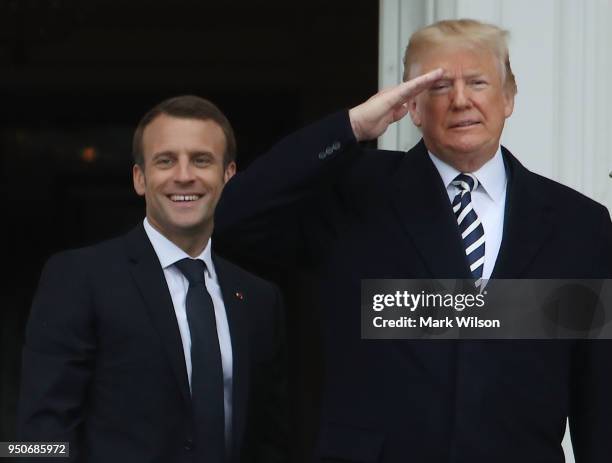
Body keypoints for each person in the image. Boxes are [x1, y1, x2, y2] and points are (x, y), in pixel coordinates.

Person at [214, 20, 612, 462]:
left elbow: (596, 389)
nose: (461, 100)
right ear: (413, 106)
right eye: (440, 86)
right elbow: (234, 219)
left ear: (509, 97)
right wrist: (351, 128)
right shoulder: (355, 192)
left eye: (477, 82)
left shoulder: (579, 224)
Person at [17, 96, 288, 463]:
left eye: (201, 160)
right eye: (165, 161)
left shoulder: (259, 298)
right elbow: (39, 435)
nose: (183, 175)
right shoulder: (77, 277)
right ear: (139, 178)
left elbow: (269, 438)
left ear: (228, 177)